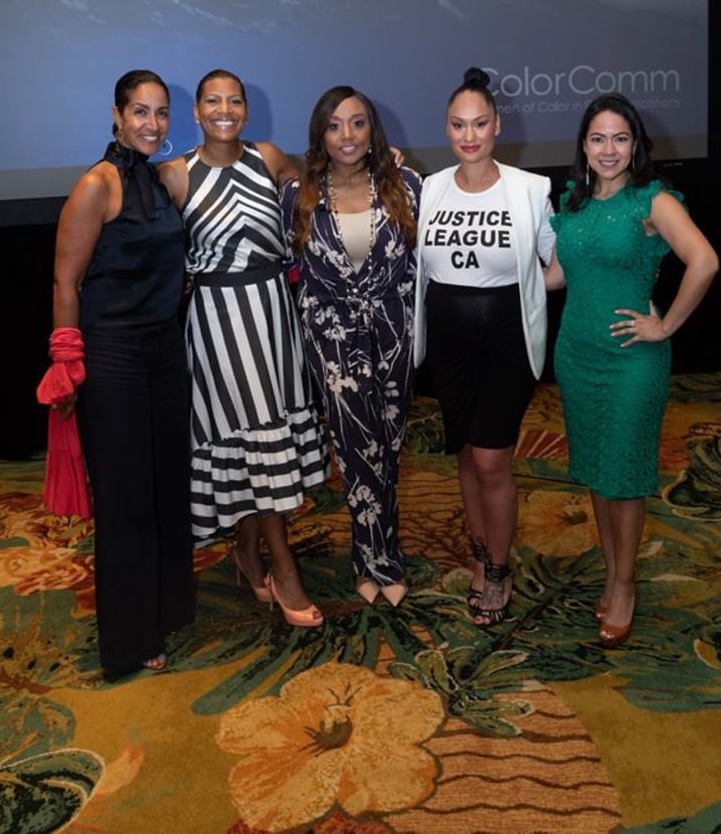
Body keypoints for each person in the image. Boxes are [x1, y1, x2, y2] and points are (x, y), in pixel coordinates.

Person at [545, 93, 718, 646]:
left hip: (633, 360)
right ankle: (612, 568)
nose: (609, 149)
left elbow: (705, 260)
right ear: (584, 146)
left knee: (624, 474)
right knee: (597, 471)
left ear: (636, 143)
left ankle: (624, 583)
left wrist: (664, 327)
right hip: (577, 355)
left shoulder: (652, 200)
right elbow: (554, 276)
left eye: (620, 138)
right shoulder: (573, 202)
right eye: (598, 139)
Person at [158, 69, 328, 628]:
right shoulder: (175, 175)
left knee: (262, 437)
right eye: (213, 101)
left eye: (235, 101)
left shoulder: (270, 158)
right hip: (217, 323)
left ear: (246, 112)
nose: (224, 110)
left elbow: (323, 187)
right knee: (255, 435)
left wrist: (381, 163)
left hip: (273, 315)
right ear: (197, 112)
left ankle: (246, 553)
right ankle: (283, 567)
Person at [46, 69, 195, 675]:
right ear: (115, 114)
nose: (152, 125)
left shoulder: (164, 180)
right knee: (127, 498)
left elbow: (250, 154)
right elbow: (65, 281)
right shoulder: (96, 185)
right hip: (113, 358)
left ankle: (164, 611)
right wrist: (66, 364)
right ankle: (131, 640)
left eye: (160, 114)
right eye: (140, 112)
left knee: (164, 489)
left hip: (166, 353)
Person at [413, 67, 555, 627]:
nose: (468, 135)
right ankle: (481, 554)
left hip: (505, 339)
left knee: (494, 456)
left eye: (479, 123)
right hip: (450, 340)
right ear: (446, 129)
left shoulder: (529, 189)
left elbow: (556, 263)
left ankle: (498, 568)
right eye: (457, 125)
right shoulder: (429, 189)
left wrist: (521, 292)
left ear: (497, 124)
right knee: (469, 453)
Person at [280, 87, 421, 607]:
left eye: (357, 124)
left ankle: (380, 548)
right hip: (332, 340)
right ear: (320, 133)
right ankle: (376, 560)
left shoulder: (406, 185)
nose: (347, 136)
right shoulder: (298, 193)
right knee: (355, 449)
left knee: (389, 445)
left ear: (372, 131)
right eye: (335, 125)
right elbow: (285, 268)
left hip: (393, 334)